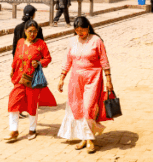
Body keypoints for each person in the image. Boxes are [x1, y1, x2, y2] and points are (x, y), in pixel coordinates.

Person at [57, 16, 113, 152]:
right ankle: (84, 138)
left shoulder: (96, 41)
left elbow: (104, 61)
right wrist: (62, 78)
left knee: (89, 108)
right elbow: (67, 61)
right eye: (77, 30)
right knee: (79, 108)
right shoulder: (72, 41)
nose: (80, 33)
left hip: (93, 78)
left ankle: (90, 140)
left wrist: (108, 80)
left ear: (88, 28)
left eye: (82, 30)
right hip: (76, 80)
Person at [6, 20, 56, 142]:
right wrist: (12, 69)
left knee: (32, 104)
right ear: (25, 31)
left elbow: (48, 58)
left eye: (34, 31)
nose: (32, 34)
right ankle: (13, 130)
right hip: (19, 78)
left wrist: (39, 63)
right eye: (30, 31)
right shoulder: (20, 42)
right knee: (13, 102)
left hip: (33, 80)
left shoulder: (41, 44)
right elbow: (16, 57)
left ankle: (32, 129)